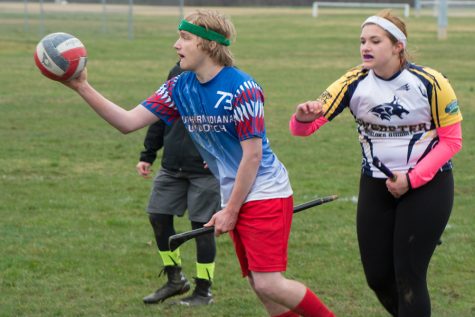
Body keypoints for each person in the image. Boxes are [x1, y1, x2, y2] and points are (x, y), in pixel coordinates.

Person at [63, 9, 335, 317]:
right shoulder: (179, 87)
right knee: (260, 286)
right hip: (235, 194)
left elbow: (253, 155)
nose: (176, 45)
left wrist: (231, 209)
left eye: (184, 38)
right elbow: (127, 122)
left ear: (207, 44)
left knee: (270, 283)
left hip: (264, 191)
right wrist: (81, 86)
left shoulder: (242, 88)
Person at [289, 10, 462, 317]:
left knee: (408, 275)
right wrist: (302, 116)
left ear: (398, 46)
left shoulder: (431, 82)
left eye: (375, 40)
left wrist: (412, 179)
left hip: (428, 186)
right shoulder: (352, 81)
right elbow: (304, 129)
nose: (365, 47)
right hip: (375, 184)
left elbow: (452, 141)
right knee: (378, 277)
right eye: (362, 41)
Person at [136, 62, 221, 306]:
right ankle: (175, 279)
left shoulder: (225, 77)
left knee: (202, 228)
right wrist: (148, 154)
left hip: (206, 172)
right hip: (172, 166)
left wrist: (222, 156)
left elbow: (236, 123)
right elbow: (159, 114)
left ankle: (203, 290)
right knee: (158, 216)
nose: (179, 45)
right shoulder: (177, 73)